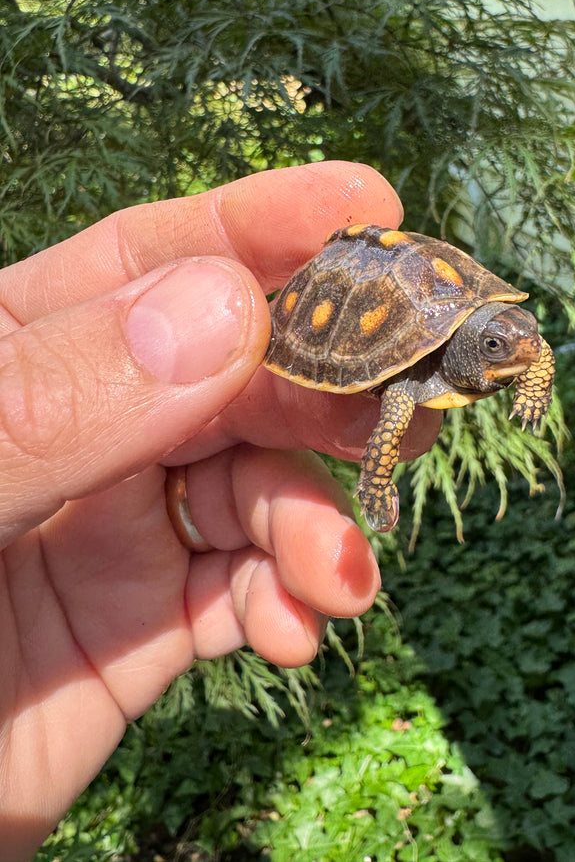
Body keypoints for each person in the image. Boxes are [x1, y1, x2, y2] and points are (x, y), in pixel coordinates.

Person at [0, 161, 440, 861]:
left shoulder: (488, 343)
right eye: (502, 345)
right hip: (337, 321)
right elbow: (394, 415)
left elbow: (519, 344)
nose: (520, 349)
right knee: (393, 413)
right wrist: (377, 480)